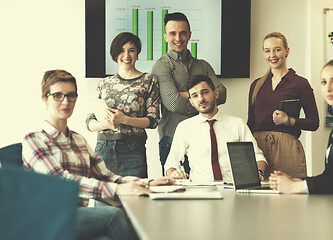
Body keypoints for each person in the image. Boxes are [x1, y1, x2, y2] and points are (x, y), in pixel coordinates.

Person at [22, 70, 174, 239]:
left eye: (71, 95)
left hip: (77, 216)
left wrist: (149, 183)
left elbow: (107, 177)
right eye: (57, 95)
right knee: (112, 216)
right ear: (45, 99)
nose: (65, 101)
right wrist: (118, 189)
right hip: (48, 218)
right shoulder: (34, 140)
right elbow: (62, 182)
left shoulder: (78, 140)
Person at [269, 59, 333, 198]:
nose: (328, 88)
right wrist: (294, 180)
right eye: (324, 82)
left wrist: (296, 186)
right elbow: (331, 176)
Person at [151, 12, 227, 175]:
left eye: (183, 33)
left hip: (202, 138)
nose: (178, 38)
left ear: (189, 35)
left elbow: (223, 92)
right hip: (171, 139)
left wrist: (185, 94)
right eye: (172, 33)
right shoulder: (161, 66)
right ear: (165, 36)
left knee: (203, 190)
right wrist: (205, 97)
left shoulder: (203, 65)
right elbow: (173, 103)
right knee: (174, 194)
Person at [165, 75, 266, 181]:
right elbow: (171, 164)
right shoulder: (185, 128)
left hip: (232, 189)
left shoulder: (237, 124)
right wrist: (174, 174)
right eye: (195, 96)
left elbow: (258, 157)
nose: (201, 99)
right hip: (200, 190)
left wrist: (258, 172)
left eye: (205, 92)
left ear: (216, 94)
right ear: (191, 102)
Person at [86, 32, 160, 178]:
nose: (126, 55)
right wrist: (105, 125)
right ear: (114, 53)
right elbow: (89, 122)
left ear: (137, 53)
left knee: (135, 198)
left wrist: (124, 120)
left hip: (133, 151)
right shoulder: (104, 83)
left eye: (131, 50)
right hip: (103, 149)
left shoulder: (149, 80)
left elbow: (153, 120)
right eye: (121, 50)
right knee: (103, 198)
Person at [247, 32, 319, 179]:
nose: (272, 55)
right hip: (259, 149)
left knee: (292, 197)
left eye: (277, 49)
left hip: (288, 150)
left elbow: (314, 123)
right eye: (267, 51)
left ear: (287, 50)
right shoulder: (256, 85)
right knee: (258, 197)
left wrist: (289, 121)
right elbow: (250, 123)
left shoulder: (300, 83)